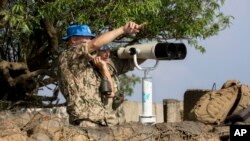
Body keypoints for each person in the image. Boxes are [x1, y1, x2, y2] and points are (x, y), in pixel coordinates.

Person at [58, 21, 145, 127]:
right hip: (87, 122)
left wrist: (152, 48)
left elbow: (135, 60)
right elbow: (95, 44)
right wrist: (123, 30)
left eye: (90, 38)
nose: (88, 41)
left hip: (108, 122)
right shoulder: (69, 57)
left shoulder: (95, 64)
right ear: (72, 40)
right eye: (84, 38)